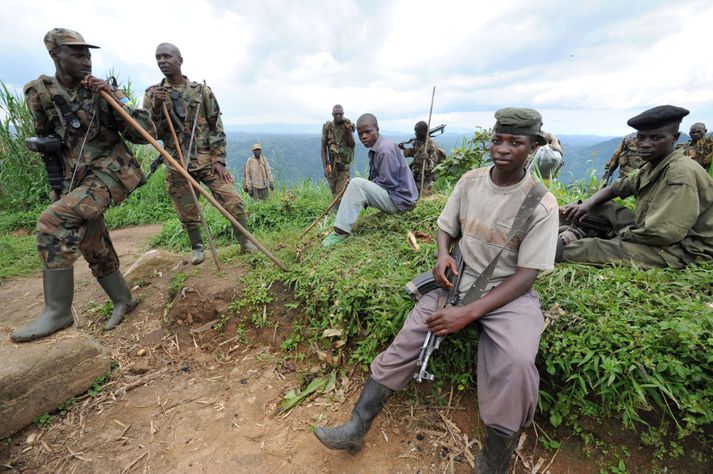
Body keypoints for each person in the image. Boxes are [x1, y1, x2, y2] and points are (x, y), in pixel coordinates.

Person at [314, 108, 559, 474]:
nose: (502, 148)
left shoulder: (541, 203)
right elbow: (447, 227)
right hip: (458, 278)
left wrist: (468, 314)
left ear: (533, 147)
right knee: (410, 335)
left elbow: (526, 276)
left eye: (515, 142)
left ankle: (494, 461)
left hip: (509, 293)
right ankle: (356, 426)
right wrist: (443, 254)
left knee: (518, 362)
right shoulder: (470, 182)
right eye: (497, 139)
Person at [11, 28, 157, 342]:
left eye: (87, 53)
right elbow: (47, 135)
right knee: (92, 238)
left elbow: (146, 131)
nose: (86, 60)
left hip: (113, 172)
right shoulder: (39, 92)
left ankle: (58, 313)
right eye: (77, 54)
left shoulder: (103, 90)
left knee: (53, 221)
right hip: (74, 177)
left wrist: (116, 97)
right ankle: (123, 299)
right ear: (55, 55)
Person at [557, 105, 713, 268]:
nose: (645, 144)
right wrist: (586, 205)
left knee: (593, 247)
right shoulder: (656, 163)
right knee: (600, 206)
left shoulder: (679, 173)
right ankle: (553, 225)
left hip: (680, 249)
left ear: (674, 138)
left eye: (656, 138)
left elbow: (662, 234)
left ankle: (552, 248)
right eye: (641, 137)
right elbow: (616, 188)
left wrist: (617, 235)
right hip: (651, 228)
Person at [143, 42, 256, 265]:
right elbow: (149, 132)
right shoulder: (153, 94)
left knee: (232, 200)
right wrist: (156, 107)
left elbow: (216, 126)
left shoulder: (201, 91)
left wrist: (220, 160)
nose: (162, 61)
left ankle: (245, 241)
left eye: (167, 56)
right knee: (187, 210)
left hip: (208, 161)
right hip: (177, 162)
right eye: (158, 58)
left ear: (180, 60)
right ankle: (197, 248)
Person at [321, 114, 418, 247]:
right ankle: (342, 226)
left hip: (401, 202)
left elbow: (389, 183)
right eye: (360, 134)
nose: (363, 137)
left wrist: (362, 189)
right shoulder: (380, 146)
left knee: (356, 183)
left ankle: (341, 232)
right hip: (400, 198)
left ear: (377, 129)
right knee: (357, 185)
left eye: (367, 132)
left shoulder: (385, 150)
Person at [321, 104, 356, 202]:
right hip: (332, 165)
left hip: (344, 166)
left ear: (343, 113)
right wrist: (325, 167)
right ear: (332, 114)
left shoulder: (347, 124)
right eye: (336, 114)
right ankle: (336, 213)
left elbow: (352, 144)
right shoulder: (327, 127)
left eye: (340, 114)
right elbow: (323, 148)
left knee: (340, 193)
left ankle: (339, 213)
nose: (338, 116)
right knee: (334, 190)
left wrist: (349, 131)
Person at [399, 121, 440, 194]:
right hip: (415, 173)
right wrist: (403, 148)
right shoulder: (417, 142)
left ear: (424, 131)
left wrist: (427, 159)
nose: (415, 134)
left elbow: (434, 163)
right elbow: (414, 153)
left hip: (425, 176)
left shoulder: (430, 144)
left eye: (417, 132)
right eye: (415, 131)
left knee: (423, 196)